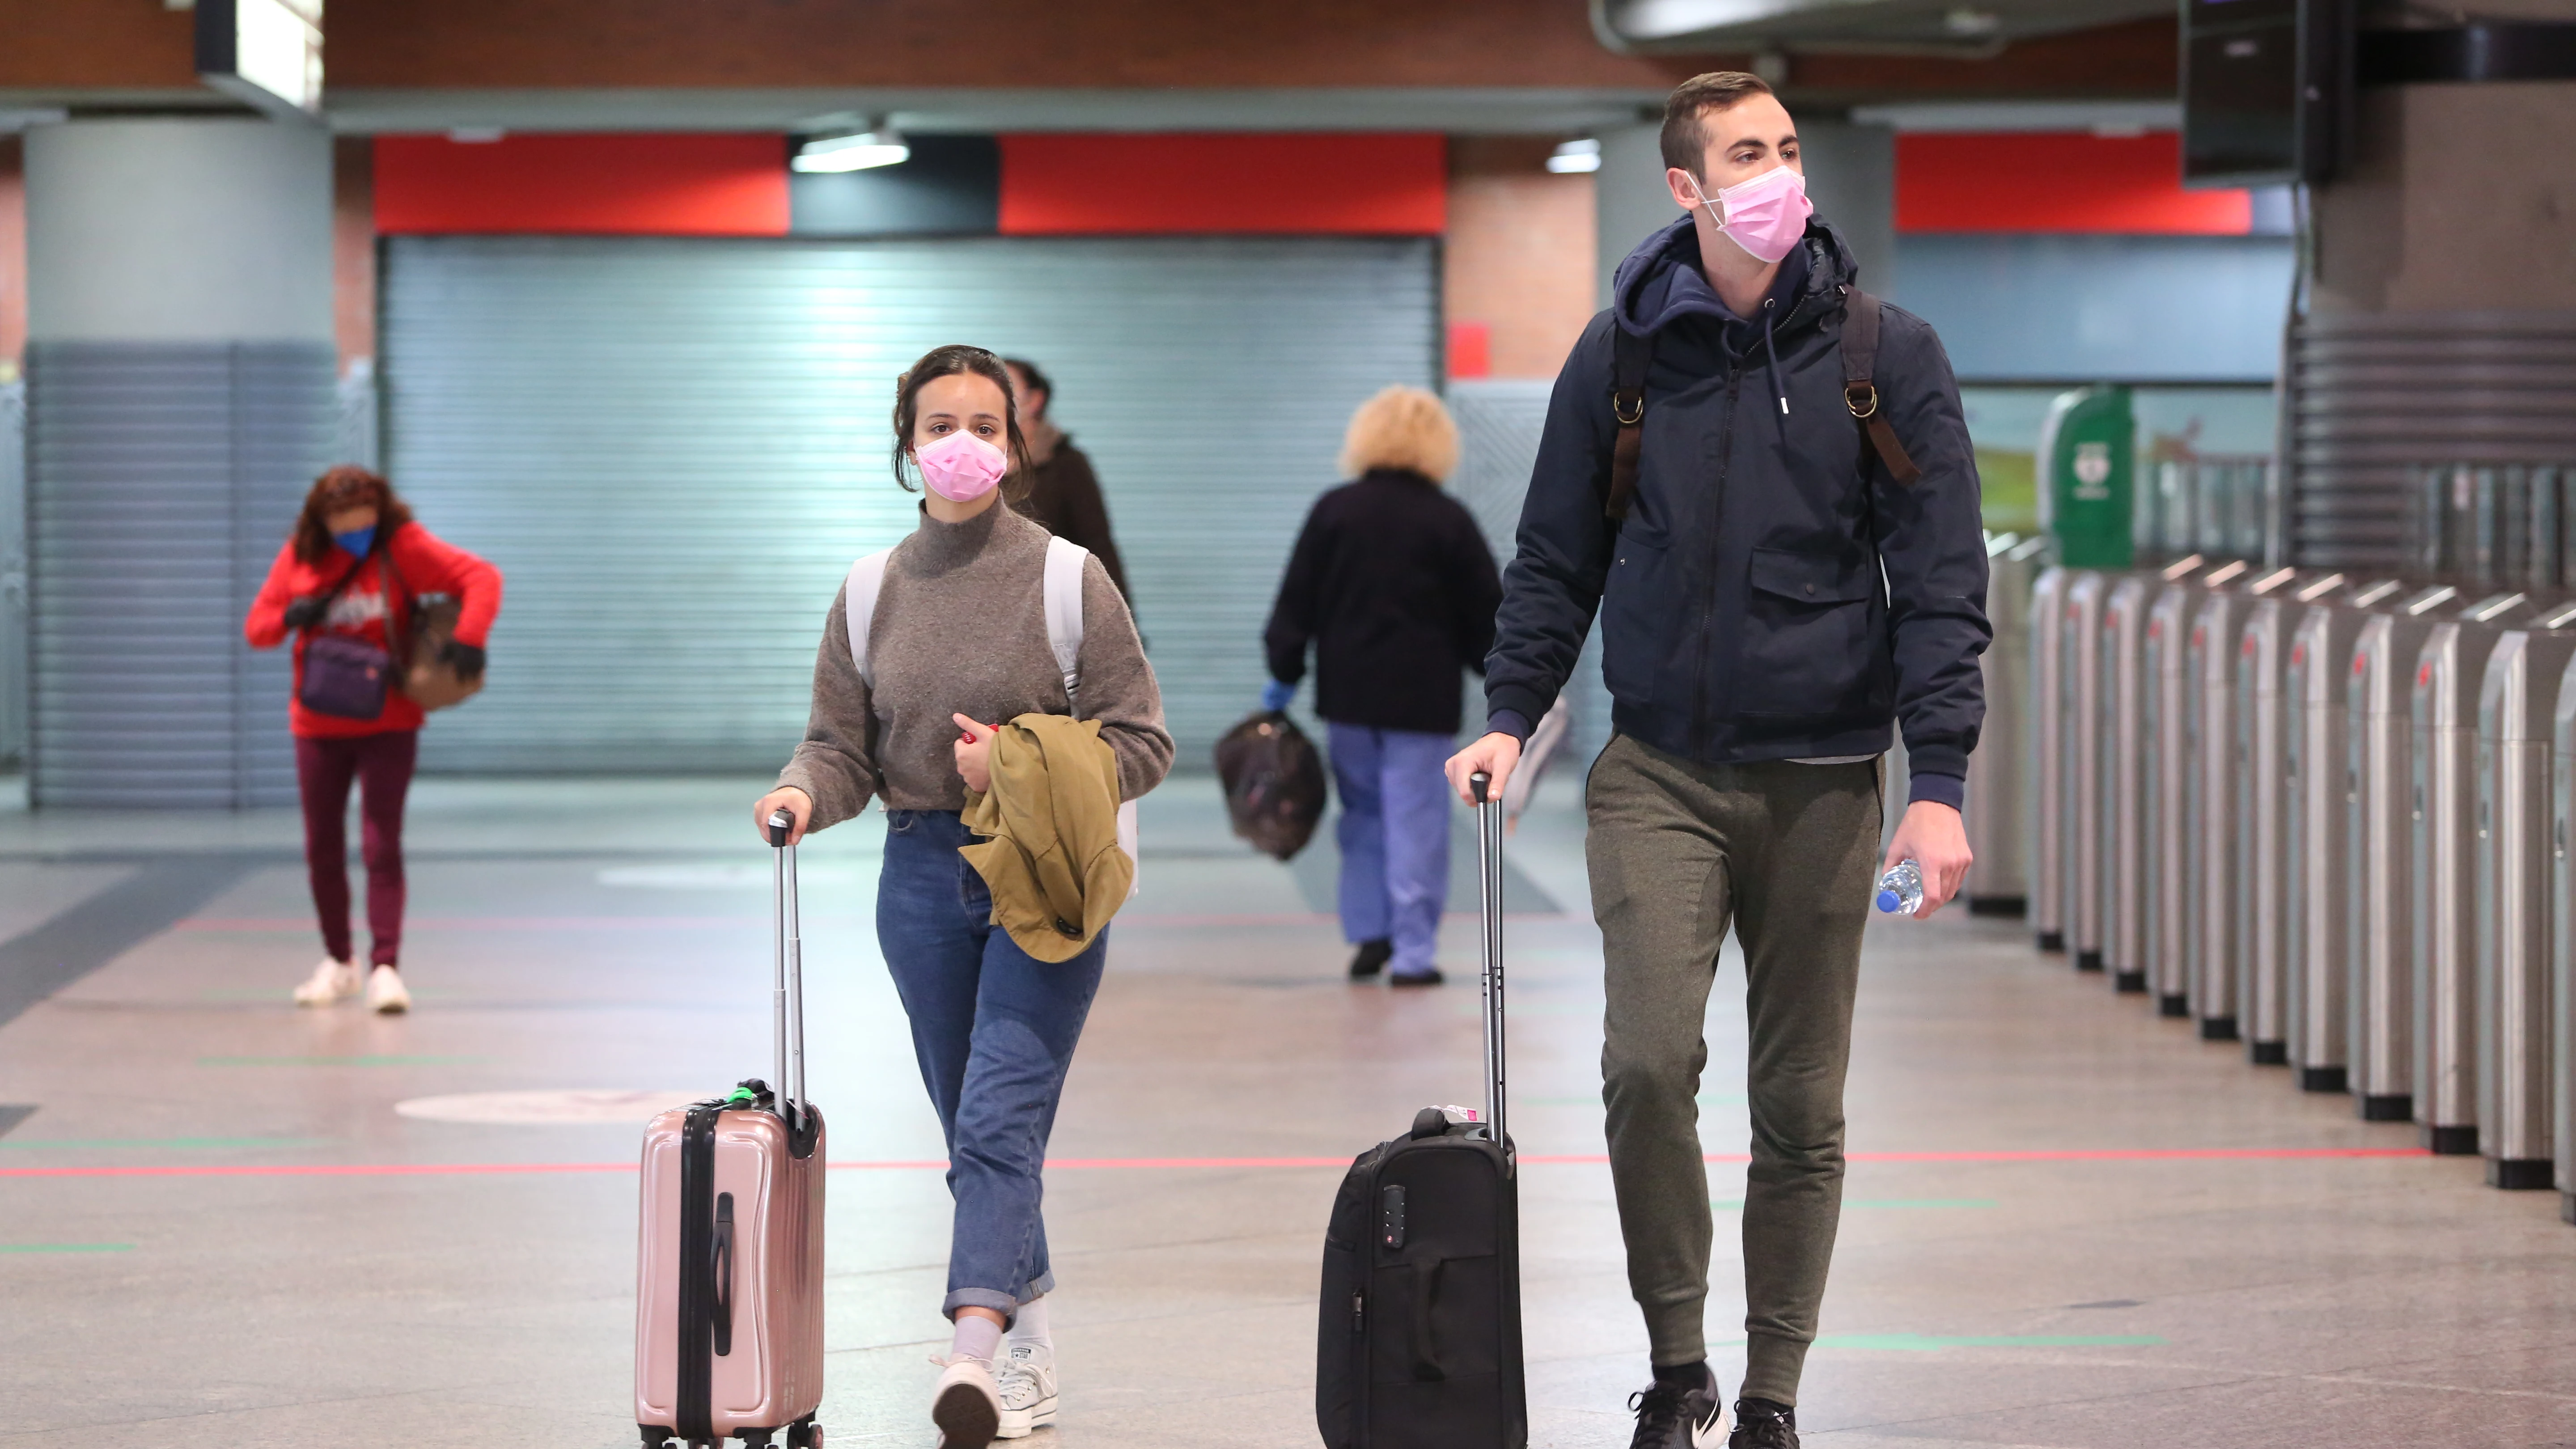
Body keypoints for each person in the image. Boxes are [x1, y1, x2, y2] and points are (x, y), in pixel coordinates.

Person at [1445, 72, 1988, 1449]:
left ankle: (1772, 1393)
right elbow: (1555, 556)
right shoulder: (1623, 356)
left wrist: (1939, 788)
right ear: (1685, 187)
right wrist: (1512, 713)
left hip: (1826, 781)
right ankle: (1678, 1361)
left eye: (1791, 148)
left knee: (1800, 1103)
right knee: (1644, 1065)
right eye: (1749, 153)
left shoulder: (1884, 353)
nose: (1780, 173)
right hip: (1660, 772)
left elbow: (1938, 579)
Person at [753, 345, 1171, 1449]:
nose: (962, 442)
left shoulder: (1066, 577)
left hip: (1042, 872)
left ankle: (971, 1357)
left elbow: (1144, 741)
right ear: (906, 446)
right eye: (941, 422)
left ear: (1014, 444)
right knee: (974, 1130)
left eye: (985, 424)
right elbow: (841, 745)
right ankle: (1028, 1337)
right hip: (919, 874)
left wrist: (1022, 766)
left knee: (996, 1118)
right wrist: (799, 791)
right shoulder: (868, 589)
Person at [1263, 386, 1501, 986]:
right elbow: (1487, 614)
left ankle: (1370, 933)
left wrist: (1284, 672)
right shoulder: (1448, 520)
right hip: (1422, 704)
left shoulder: (1335, 511)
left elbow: (1298, 601)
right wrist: (1502, 682)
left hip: (1348, 697)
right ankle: (1415, 954)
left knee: (1362, 815)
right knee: (1416, 821)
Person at [245, 465, 502, 1014]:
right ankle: (339, 963)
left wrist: (469, 637)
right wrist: (292, 614)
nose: (354, 536)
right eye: (344, 528)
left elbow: (482, 577)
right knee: (323, 847)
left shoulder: (403, 546)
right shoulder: (302, 554)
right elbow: (258, 629)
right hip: (318, 725)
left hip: (391, 721)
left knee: (382, 844)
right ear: (324, 521)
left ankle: (386, 967)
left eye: (364, 525)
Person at [1002, 357, 1133, 601]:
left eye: (1006, 389)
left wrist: (1119, 620)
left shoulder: (1065, 463)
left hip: (1057, 606)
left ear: (1035, 401)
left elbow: (1096, 544)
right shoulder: (978, 463)